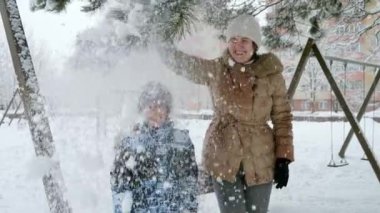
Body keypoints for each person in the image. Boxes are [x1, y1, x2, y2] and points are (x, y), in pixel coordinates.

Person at [161, 14, 294, 213]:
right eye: (233, 39)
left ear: (255, 44)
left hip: (261, 157)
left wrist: (283, 158)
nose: (238, 46)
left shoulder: (271, 75)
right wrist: (161, 46)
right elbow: (187, 65)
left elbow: (282, 117)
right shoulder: (218, 69)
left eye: (244, 40)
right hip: (223, 154)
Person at [110, 81, 198, 213]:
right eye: (150, 107)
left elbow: (189, 184)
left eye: (160, 106)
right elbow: (120, 189)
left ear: (167, 110)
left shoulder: (181, 142)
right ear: (142, 110)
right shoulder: (130, 143)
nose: (155, 112)